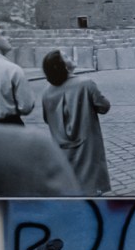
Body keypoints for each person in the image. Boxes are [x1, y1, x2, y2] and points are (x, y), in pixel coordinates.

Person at [39, 50, 112, 195]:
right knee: (91, 187)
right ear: (63, 66)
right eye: (65, 56)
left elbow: (47, 119)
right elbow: (104, 107)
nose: (70, 56)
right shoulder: (86, 83)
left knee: (71, 185)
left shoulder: (47, 92)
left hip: (62, 146)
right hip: (87, 146)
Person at [0, 23, 34, 124]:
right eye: (3, 34)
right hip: (8, 125)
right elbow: (26, 107)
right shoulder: (12, 70)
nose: (9, 38)